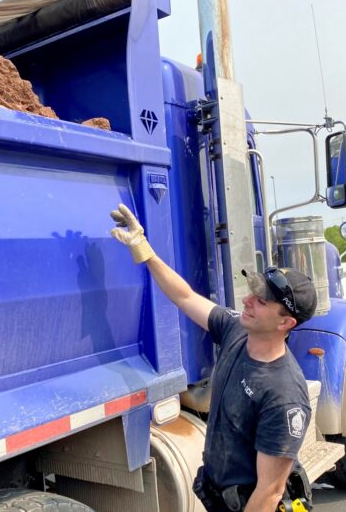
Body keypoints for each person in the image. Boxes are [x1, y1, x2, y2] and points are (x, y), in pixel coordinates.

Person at [110, 203, 317, 512]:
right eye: (252, 292)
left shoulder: (283, 394)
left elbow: (269, 493)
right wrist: (145, 250)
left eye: (260, 301)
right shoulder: (236, 331)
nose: (246, 301)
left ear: (286, 323)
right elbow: (185, 296)